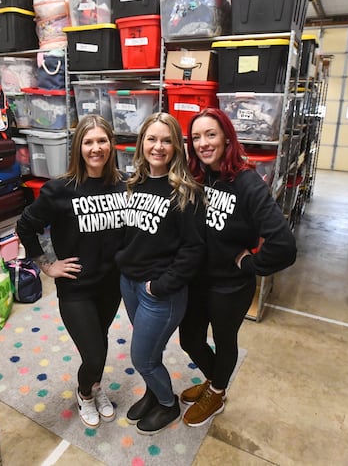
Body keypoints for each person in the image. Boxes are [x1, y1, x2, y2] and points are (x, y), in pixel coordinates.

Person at [179, 107, 297, 427]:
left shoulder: (247, 182)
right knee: (189, 339)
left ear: (227, 138)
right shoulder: (199, 176)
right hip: (197, 280)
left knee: (224, 341)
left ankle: (217, 392)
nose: (203, 143)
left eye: (211, 134)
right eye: (196, 137)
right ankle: (214, 381)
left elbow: (284, 244)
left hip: (229, 286)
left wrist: (251, 263)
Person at [16, 115, 126, 429]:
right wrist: (47, 265)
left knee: (100, 343)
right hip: (76, 288)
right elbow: (25, 226)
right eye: (88, 142)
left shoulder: (123, 186)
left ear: (111, 145)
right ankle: (84, 393)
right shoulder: (60, 190)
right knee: (93, 355)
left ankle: (95, 386)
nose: (96, 148)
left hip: (111, 286)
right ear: (78, 147)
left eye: (102, 141)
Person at [116, 112, 206, 435]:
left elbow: (194, 250)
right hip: (130, 283)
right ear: (142, 143)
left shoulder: (186, 191)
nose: (158, 147)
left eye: (166, 140)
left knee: (142, 358)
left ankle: (168, 404)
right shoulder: (133, 184)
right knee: (151, 353)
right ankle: (153, 394)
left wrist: (160, 286)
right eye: (152, 139)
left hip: (160, 292)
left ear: (177, 147)